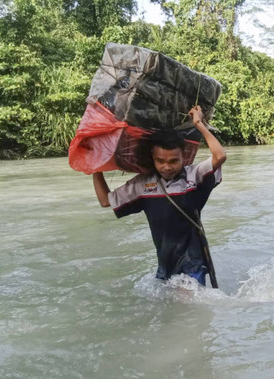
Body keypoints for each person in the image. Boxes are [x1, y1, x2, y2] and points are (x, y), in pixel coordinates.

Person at [92, 105, 226, 286]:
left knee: (186, 306)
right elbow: (105, 201)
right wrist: (95, 168)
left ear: (183, 157)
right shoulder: (143, 184)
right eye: (160, 161)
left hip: (193, 262)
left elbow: (220, 156)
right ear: (152, 158)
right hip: (165, 266)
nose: (167, 167)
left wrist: (199, 124)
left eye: (173, 161)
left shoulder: (194, 176)